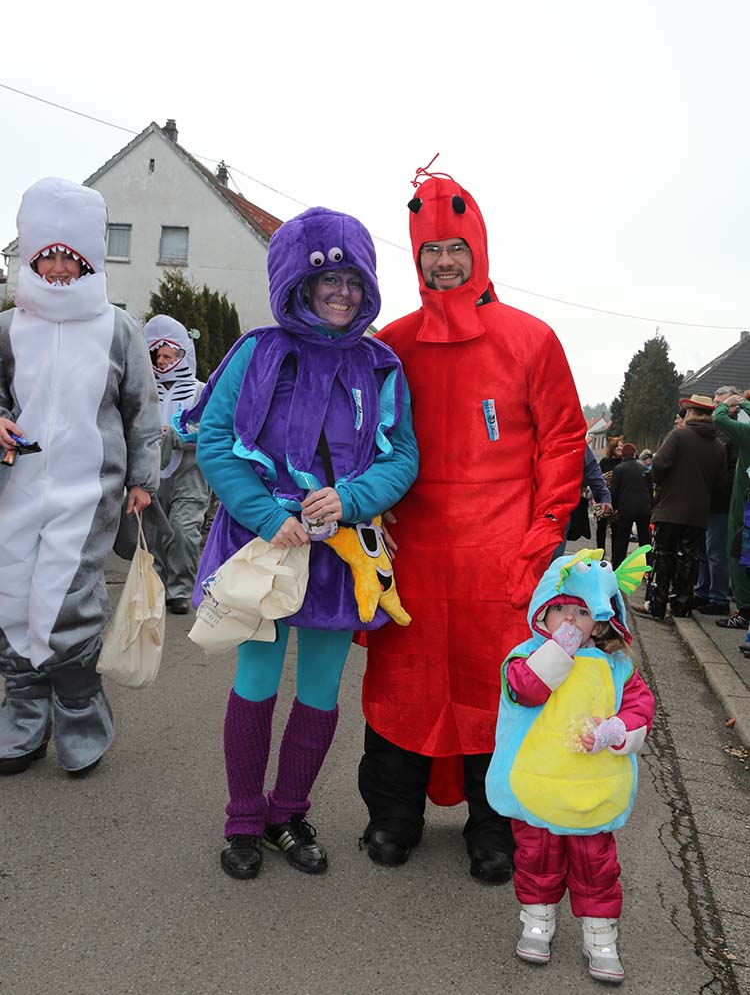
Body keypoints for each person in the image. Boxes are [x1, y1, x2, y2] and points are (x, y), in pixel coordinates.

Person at [358, 167, 586, 883]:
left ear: (478, 248)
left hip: (502, 553)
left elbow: (563, 440)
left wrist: (542, 534)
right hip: (415, 552)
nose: (445, 262)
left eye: (456, 247)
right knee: (402, 685)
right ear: (415, 257)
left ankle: (495, 826)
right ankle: (393, 815)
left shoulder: (532, 339)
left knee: (499, 689)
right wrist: (371, 510)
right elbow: (364, 436)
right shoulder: (392, 343)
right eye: (431, 250)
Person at [178, 206, 418, 880]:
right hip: (264, 549)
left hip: (342, 555)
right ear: (301, 283)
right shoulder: (257, 350)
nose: (341, 292)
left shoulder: (381, 364)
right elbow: (215, 439)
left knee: (319, 689)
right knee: (256, 682)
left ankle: (288, 814)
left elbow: (401, 456)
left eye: (352, 280)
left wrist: (351, 498)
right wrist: (263, 513)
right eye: (328, 279)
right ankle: (243, 820)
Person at [0, 177, 161, 775]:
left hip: (89, 489)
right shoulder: (8, 328)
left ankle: (78, 709)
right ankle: (23, 710)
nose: (60, 268)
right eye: (48, 255)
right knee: (12, 594)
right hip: (16, 486)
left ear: (89, 259)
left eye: (72, 257)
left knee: (67, 600)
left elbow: (142, 409)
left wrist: (143, 479)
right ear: (32, 256)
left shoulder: (118, 328)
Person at [485, 548, 654, 983]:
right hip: (536, 787)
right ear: (543, 612)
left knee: (596, 865)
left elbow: (640, 708)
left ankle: (600, 935)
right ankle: (537, 922)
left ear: (601, 620)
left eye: (582, 612)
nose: (571, 621)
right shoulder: (525, 656)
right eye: (561, 609)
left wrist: (616, 730)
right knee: (536, 858)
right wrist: (558, 652)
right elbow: (526, 689)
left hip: (591, 790)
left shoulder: (617, 667)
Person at [633, 395, 726, 624]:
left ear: (691, 413)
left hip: (670, 509)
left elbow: (659, 466)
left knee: (663, 557)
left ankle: (656, 605)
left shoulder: (679, 436)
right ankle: (681, 606)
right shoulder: (718, 446)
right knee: (689, 559)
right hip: (698, 514)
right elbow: (721, 482)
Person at [143, 315, 211, 614]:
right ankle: (156, 587)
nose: (161, 361)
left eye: (168, 356)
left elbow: (213, 430)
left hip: (189, 474)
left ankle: (180, 589)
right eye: (158, 356)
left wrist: (175, 434)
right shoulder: (143, 390)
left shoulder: (201, 391)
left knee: (184, 531)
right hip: (151, 473)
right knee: (154, 535)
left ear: (182, 355)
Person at [695, 385, 740, 619]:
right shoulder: (720, 433)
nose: (714, 406)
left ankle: (718, 597)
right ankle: (704, 591)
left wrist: (712, 481)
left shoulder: (735, 434)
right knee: (704, 550)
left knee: (716, 552)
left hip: (721, 503)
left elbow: (732, 473)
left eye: (719, 402)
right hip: (709, 500)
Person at [712, 390, 750, 635]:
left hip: (744, 504)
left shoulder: (747, 432)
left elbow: (719, 419)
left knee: (738, 553)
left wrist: (730, 404)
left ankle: (744, 611)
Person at [610, 443, 651, 568]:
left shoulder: (619, 469)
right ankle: (648, 564)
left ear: (622, 455)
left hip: (626, 508)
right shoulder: (644, 468)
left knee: (622, 539)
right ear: (635, 454)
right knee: (645, 538)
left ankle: (618, 565)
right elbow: (650, 489)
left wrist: (615, 507)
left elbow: (614, 491)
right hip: (644, 507)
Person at [595, 438, 622, 556]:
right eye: (617, 446)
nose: (620, 448)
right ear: (612, 448)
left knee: (616, 529)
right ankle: (600, 554)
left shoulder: (623, 462)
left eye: (621, 446)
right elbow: (597, 480)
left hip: (618, 500)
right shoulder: (604, 462)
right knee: (601, 527)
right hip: (604, 499)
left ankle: (615, 557)